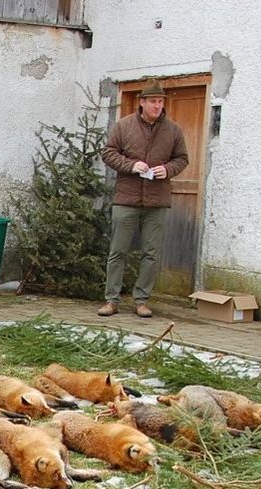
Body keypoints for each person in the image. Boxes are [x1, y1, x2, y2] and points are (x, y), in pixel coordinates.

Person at [98, 78, 189, 319]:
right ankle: (111, 300)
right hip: (126, 199)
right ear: (142, 102)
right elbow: (108, 153)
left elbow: (182, 158)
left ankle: (141, 300)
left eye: (160, 101)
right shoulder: (124, 126)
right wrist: (131, 165)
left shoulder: (173, 130)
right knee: (118, 251)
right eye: (153, 101)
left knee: (151, 254)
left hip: (156, 201)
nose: (157, 106)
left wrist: (168, 170)